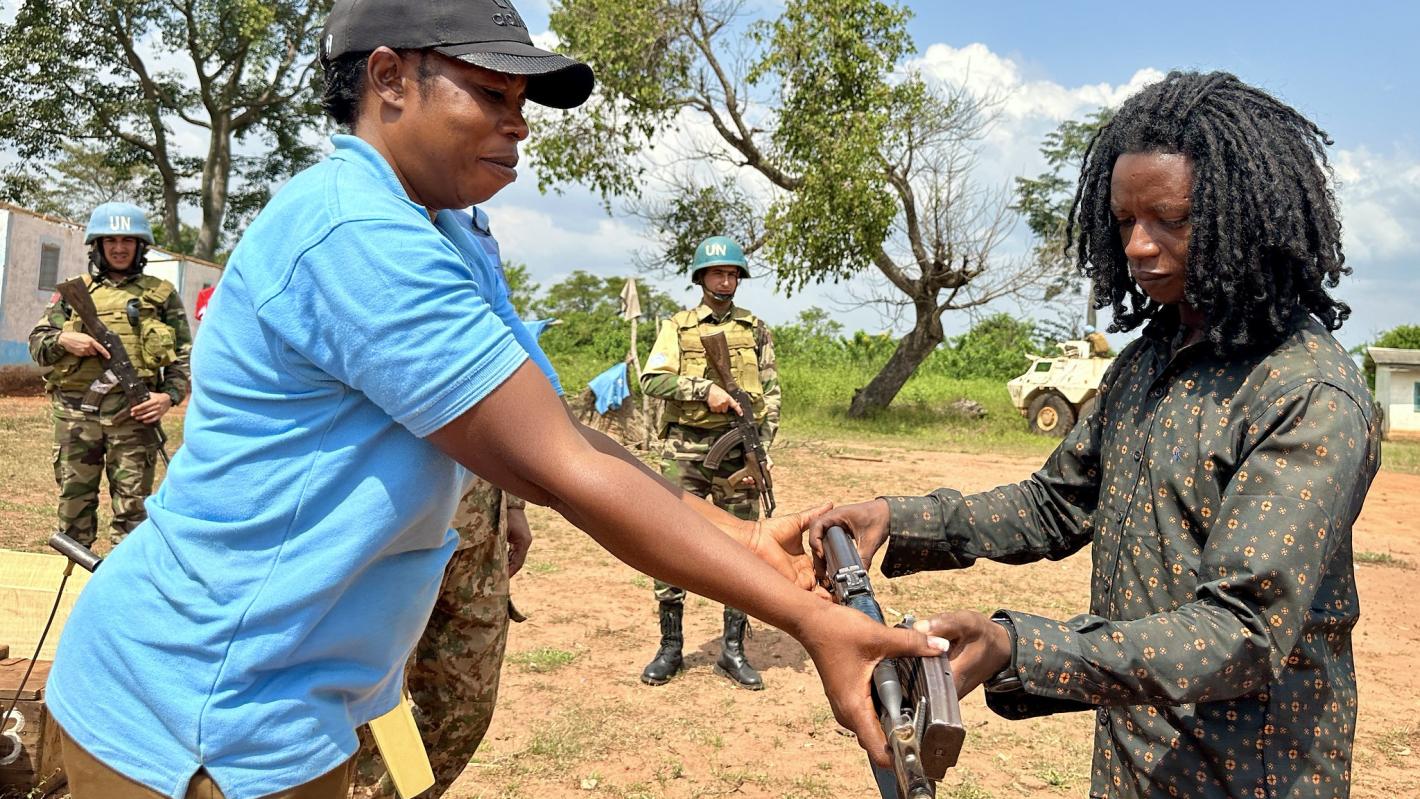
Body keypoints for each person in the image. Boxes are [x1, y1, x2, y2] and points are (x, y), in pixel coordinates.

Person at [45, 3, 938, 798]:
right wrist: (812, 620)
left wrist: (751, 538)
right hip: (201, 713)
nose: (518, 125)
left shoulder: (446, 231)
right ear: (389, 79)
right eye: (490, 94)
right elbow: (566, 470)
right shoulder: (357, 232)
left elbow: (556, 433)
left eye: (524, 104)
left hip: (286, 702)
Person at [811, 71, 1379, 799]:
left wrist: (1019, 645)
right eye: (1122, 222)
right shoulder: (1147, 363)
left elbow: (1242, 630)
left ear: (1245, 216)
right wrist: (897, 517)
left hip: (1251, 773)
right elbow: (1055, 504)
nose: (1140, 245)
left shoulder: (1304, 392)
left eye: (1171, 218)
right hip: (1136, 754)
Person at [350, 207, 547, 799]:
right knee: (375, 705)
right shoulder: (374, 236)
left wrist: (512, 507)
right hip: (397, 535)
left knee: (463, 705)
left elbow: (498, 402)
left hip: (478, 526)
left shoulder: (473, 236)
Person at [638, 235, 779, 690]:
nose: (727, 280)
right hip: (685, 451)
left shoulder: (755, 329)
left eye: (733, 273)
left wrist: (763, 448)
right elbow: (652, 380)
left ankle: (732, 650)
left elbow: (772, 395)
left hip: (739, 452)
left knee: (742, 549)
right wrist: (704, 390)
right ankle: (670, 646)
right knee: (669, 541)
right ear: (701, 278)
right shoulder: (678, 327)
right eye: (719, 273)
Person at [27, 202, 191, 548]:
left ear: (140, 247)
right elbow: (38, 343)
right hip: (75, 418)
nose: (119, 248)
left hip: (134, 419)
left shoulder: (160, 295)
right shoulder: (75, 293)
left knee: (133, 513)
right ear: (97, 247)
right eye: (110, 240)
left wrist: (167, 397)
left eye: (127, 241)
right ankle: (74, 580)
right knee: (74, 508)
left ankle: (123, 591)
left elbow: (183, 360)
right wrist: (64, 339)